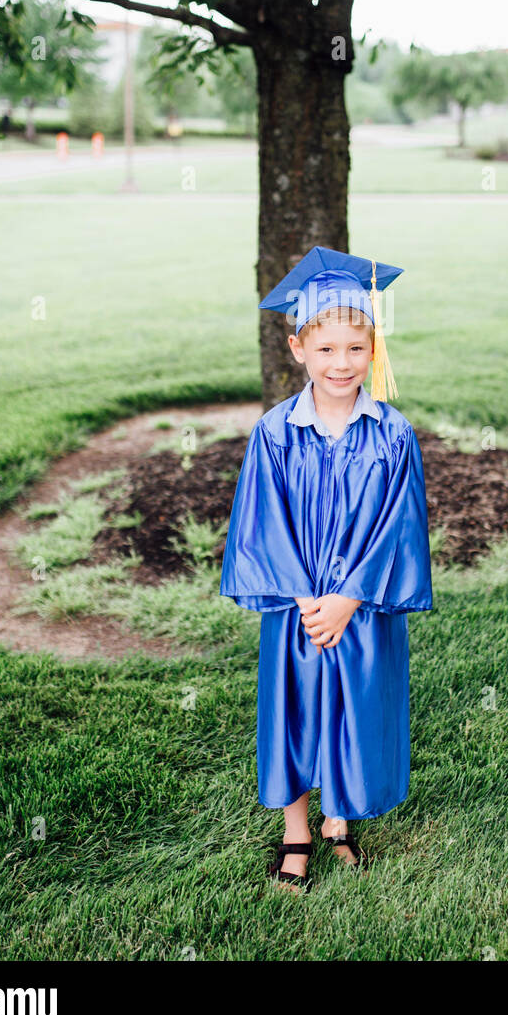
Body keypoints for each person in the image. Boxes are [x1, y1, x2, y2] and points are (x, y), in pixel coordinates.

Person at [219, 245, 433, 893]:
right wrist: (309, 598)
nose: (341, 363)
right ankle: (296, 831)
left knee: (352, 709)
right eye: (325, 349)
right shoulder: (275, 432)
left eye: (354, 348)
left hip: (359, 609)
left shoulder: (392, 435)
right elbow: (260, 524)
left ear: (374, 350)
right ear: (296, 349)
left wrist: (350, 596)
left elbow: (401, 526)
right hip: (298, 609)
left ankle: (339, 820)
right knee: (293, 712)